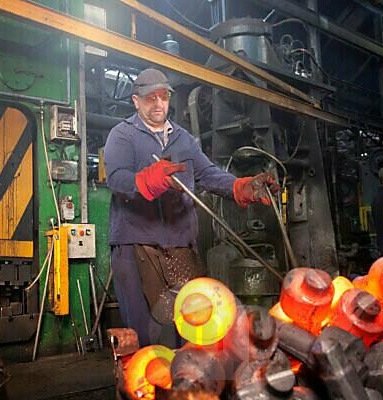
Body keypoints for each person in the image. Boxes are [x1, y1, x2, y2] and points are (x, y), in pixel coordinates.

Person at [104, 68, 277, 346]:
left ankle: (187, 383)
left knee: (190, 328)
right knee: (148, 334)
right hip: (137, 247)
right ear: (136, 101)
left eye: (163, 97)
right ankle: (149, 385)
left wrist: (239, 187)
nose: (159, 104)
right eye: (150, 98)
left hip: (180, 246)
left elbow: (208, 174)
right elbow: (116, 179)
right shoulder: (122, 135)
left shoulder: (183, 138)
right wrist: (149, 180)